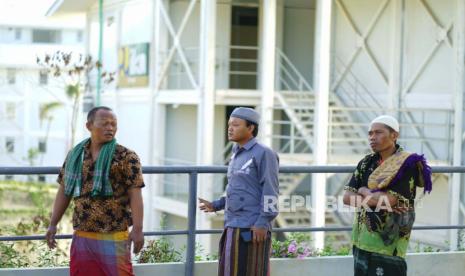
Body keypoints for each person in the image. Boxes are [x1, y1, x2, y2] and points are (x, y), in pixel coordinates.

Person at [45, 106, 145, 276]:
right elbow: (64, 191)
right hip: (83, 234)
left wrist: (138, 229)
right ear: (89, 126)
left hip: (114, 234)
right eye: (105, 123)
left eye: (114, 124)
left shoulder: (126, 156)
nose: (110, 128)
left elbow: (135, 195)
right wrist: (53, 223)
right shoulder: (75, 155)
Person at [343, 115, 432, 276]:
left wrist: (363, 191)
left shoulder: (406, 163)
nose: (372, 137)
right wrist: (375, 198)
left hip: (388, 242)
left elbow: (390, 200)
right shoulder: (366, 162)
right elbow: (347, 198)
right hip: (361, 241)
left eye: (378, 133)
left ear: (394, 135)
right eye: (370, 133)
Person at [199, 107, 279, 276]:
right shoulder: (236, 152)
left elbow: (270, 190)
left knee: (252, 271)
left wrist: (262, 223)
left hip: (252, 227)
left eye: (235, 125)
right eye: (229, 124)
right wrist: (217, 205)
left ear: (250, 128)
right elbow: (236, 187)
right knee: (230, 270)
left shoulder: (264, 153)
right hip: (232, 224)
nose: (230, 128)